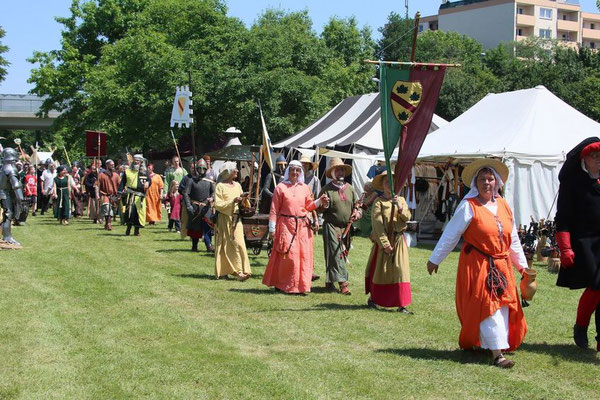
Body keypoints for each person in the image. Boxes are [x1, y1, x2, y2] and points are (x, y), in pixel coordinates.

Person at [426, 159, 529, 368]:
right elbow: (451, 234)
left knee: (503, 307)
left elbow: (513, 239)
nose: (487, 183)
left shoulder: (504, 206)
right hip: (478, 265)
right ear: (476, 183)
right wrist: (435, 258)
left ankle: (490, 344)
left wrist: (523, 266)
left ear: (497, 182)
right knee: (487, 306)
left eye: (490, 179)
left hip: (502, 265)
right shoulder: (469, 206)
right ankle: (497, 355)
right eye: (482, 179)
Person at [554, 137, 600, 351]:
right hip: (584, 242)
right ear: (585, 159)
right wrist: (565, 248)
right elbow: (562, 218)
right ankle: (581, 326)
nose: (598, 160)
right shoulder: (573, 182)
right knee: (597, 286)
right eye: (594, 156)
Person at [263, 160, 329, 294]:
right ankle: (284, 284)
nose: (295, 173)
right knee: (289, 255)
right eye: (292, 170)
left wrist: (319, 201)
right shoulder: (280, 187)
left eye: (298, 170)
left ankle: (300, 286)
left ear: (301, 173)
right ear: (289, 171)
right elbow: (274, 209)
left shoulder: (305, 188)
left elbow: (309, 206)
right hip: (286, 225)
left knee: (302, 256)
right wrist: (272, 228)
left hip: (303, 227)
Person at [365, 171, 413, 313]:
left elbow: (407, 217)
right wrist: (385, 244)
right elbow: (378, 226)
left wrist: (399, 207)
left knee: (400, 271)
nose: (389, 185)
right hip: (385, 242)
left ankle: (401, 304)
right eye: (387, 182)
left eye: (392, 182)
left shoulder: (401, 200)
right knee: (382, 272)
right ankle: (375, 299)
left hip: (399, 241)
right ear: (382, 185)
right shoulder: (378, 202)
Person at [318, 158, 362, 294]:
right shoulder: (326, 190)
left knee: (339, 254)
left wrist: (358, 214)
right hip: (331, 226)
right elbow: (318, 209)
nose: (340, 172)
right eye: (337, 170)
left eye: (342, 169)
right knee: (337, 254)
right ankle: (343, 284)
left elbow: (358, 206)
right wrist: (323, 205)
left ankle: (329, 281)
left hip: (346, 228)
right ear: (332, 173)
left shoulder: (350, 189)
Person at [213, 162, 251, 280]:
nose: (237, 171)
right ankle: (226, 271)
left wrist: (244, 199)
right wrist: (232, 202)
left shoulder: (238, 185)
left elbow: (243, 204)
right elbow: (218, 205)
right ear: (229, 172)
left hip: (236, 218)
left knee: (239, 243)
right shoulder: (220, 186)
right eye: (235, 169)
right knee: (225, 244)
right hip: (224, 218)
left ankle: (243, 270)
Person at [183, 159, 215, 252]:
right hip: (195, 206)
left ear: (206, 169)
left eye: (203, 168)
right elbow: (186, 193)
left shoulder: (209, 181)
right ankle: (194, 245)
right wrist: (189, 205)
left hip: (206, 207)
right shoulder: (191, 180)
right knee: (195, 228)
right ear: (197, 169)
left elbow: (213, 192)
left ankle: (209, 246)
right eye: (199, 168)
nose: (201, 170)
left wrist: (212, 198)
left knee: (207, 227)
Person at [300, 155, 322, 282]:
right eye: (302, 164)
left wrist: (317, 218)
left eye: (306, 164)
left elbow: (316, 200)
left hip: (309, 213)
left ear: (309, 166)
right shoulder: (295, 179)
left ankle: (310, 270)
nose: (303, 166)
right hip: (296, 214)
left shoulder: (315, 180)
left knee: (309, 245)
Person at [119, 154, 151, 236]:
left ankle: (137, 230)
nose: (136, 162)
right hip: (130, 196)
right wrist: (119, 192)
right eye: (135, 160)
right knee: (129, 213)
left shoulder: (144, 172)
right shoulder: (127, 171)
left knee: (138, 214)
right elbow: (123, 182)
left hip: (140, 196)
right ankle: (128, 229)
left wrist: (148, 183)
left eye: (138, 160)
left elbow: (149, 180)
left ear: (141, 162)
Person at [0, 148, 25, 247]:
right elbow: (15, 185)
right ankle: (7, 237)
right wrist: (21, 199)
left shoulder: (1, 167)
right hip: (5, 194)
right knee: (8, 214)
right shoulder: (10, 168)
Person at [98, 159, 121, 231]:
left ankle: (107, 223)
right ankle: (108, 224)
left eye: (113, 165)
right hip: (105, 195)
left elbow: (120, 185)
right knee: (107, 209)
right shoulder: (101, 175)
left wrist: (119, 194)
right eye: (111, 165)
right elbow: (96, 185)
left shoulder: (116, 175)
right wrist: (97, 195)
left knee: (113, 210)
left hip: (114, 196)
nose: (113, 166)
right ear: (107, 165)